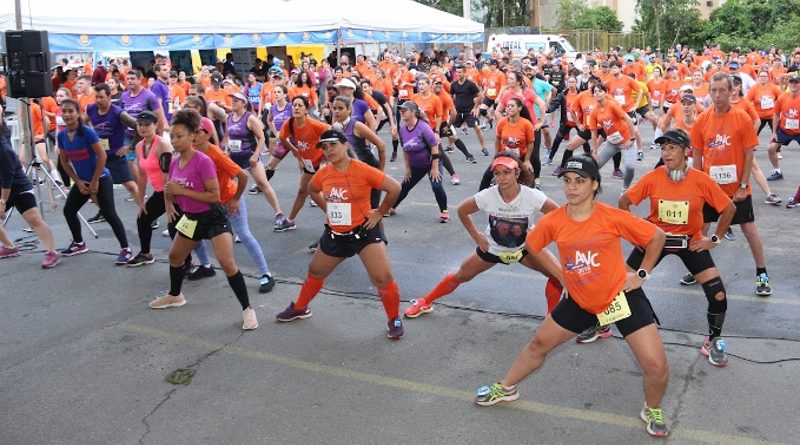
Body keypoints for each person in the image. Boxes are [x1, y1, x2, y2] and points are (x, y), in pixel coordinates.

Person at [474, 155, 670, 438]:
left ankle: (651, 408)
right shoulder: (554, 221)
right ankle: (506, 388)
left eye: (580, 181)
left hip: (619, 296)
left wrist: (641, 275)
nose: (572, 187)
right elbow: (531, 244)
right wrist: (561, 276)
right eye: (567, 181)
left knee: (656, 364)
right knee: (538, 344)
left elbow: (657, 237)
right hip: (580, 300)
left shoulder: (611, 216)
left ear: (594, 185)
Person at [604, 130, 734, 368]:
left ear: (687, 151)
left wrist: (714, 239)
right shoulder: (654, 177)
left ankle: (713, 340)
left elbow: (729, 209)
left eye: (672, 147)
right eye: (663, 148)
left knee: (718, 295)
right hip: (656, 241)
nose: (666, 152)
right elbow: (624, 202)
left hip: (690, 242)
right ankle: (601, 324)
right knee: (615, 284)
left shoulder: (701, 179)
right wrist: (635, 234)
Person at [275, 129, 404, 339]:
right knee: (315, 271)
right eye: (324, 147)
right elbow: (312, 189)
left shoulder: (362, 169)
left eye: (333, 145)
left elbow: (394, 188)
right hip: (336, 233)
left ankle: (394, 318)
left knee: (383, 277)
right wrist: (327, 209)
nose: (328, 150)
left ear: (345, 145)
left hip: (364, 231)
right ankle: (300, 307)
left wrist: (379, 212)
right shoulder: (323, 173)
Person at [404, 152, 563, 319]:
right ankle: (425, 302)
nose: (502, 178)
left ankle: (551, 317)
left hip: (524, 249)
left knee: (558, 275)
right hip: (492, 249)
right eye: (498, 173)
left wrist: (538, 232)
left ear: (517, 173)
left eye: (507, 172)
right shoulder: (488, 195)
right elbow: (462, 210)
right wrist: (476, 235)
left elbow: (557, 214)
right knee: (461, 275)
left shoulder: (532, 195)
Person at [147, 109, 259, 331]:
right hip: (191, 218)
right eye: (173, 136)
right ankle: (175, 295)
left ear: (192, 136)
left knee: (227, 263)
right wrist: (170, 201)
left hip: (213, 216)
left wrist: (181, 191)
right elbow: (172, 190)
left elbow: (214, 196)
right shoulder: (174, 162)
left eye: (180, 136)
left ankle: (248, 309)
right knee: (175, 257)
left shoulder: (203, 161)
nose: (175, 140)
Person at [685, 73, 772, 297]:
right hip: (710, 189)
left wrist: (744, 185)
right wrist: (696, 186)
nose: (717, 95)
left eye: (721, 90)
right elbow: (697, 157)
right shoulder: (702, 120)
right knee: (699, 228)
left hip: (736, 190)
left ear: (731, 91)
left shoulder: (741, 118)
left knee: (749, 229)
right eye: (713, 90)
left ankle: (762, 273)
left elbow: (749, 154)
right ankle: (698, 269)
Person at [186, 117, 276, 293]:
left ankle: (266, 274)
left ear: (208, 134)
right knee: (190, 233)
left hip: (228, 199)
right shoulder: (190, 151)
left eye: (198, 132)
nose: (194, 136)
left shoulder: (216, 154)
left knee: (243, 233)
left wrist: (235, 199)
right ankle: (206, 265)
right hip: (206, 202)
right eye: (192, 132)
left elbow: (242, 176)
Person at [57, 99, 132, 264]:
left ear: (78, 113)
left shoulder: (88, 133)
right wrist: (76, 181)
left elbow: (102, 156)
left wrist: (95, 181)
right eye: (64, 111)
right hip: (82, 181)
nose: (67, 115)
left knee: (109, 213)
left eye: (71, 111)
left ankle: (127, 249)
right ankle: (79, 243)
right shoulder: (61, 135)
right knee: (69, 210)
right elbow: (64, 162)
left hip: (102, 179)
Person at [0, 104, 60, 268]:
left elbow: (8, 176)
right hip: (3, 187)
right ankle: (10, 247)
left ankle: (52, 252)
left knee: (33, 219)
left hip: (17, 187)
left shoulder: (3, 147)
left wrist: (2, 202)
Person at [225, 91, 286, 228]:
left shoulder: (250, 118)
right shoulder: (229, 117)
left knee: (262, 184)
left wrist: (255, 155)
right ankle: (225, 214)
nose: (233, 102)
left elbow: (262, 138)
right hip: (233, 158)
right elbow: (229, 137)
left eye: (236, 100)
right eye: (232, 99)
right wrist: (227, 151)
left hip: (249, 156)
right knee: (224, 184)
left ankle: (279, 213)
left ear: (243, 103)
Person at [85, 83, 144, 224]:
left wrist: (130, 147)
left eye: (101, 97)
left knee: (129, 184)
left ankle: (146, 212)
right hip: (98, 155)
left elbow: (138, 126)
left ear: (109, 97)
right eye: (96, 97)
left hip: (115, 155)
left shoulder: (118, 113)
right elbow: (84, 123)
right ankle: (104, 211)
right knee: (91, 186)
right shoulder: (91, 109)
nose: (98, 100)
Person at [385, 101, 449, 223]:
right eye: (401, 110)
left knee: (436, 185)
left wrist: (434, 168)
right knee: (404, 185)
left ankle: (444, 211)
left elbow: (435, 148)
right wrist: (408, 169)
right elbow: (405, 150)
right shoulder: (403, 130)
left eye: (405, 110)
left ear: (413, 112)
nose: (401, 112)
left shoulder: (423, 127)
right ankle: (392, 207)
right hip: (417, 166)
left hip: (432, 162)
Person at [125, 111, 173, 267]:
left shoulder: (162, 145)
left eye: (147, 124)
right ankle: (146, 254)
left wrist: (168, 204)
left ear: (156, 125)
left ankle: (189, 263)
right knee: (143, 218)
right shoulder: (140, 146)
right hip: (159, 192)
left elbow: (167, 176)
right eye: (140, 124)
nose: (143, 128)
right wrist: (141, 200)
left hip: (174, 192)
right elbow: (142, 175)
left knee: (176, 227)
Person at [278, 96, 330, 231]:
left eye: (300, 106)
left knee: (323, 194)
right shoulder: (289, 124)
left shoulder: (315, 124)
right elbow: (282, 137)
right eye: (294, 105)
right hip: (309, 164)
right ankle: (290, 220)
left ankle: (336, 221)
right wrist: (295, 151)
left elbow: (331, 133)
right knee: (302, 191)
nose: (296, 108)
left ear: (306, 109)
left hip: (322, 163)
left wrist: (326, 154)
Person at [330, 95, 386, 208]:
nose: (336, 111)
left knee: (372, 213)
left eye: (340, 108)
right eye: (334, 108)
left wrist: (380, 170)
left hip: (368, 172)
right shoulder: (334, 129)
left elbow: (381, 145)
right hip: (350, 175)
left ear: (349, 110)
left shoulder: (357, 126)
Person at [589, 83, 638, 190]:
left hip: (626, 141)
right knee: (594, 166)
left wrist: (632, 138)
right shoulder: (594, 112)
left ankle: (625, 189)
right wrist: (595, 152)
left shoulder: (612, 105)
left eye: (600, 91)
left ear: (606, 93)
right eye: (595, 92)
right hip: (611, 143)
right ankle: (592, 188)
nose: (597, 93)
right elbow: (593, 133)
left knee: (630, 166)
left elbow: (628, 120)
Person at [765, 76, 800, 181]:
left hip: (799, 131)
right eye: (792, 83)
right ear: (788, 84)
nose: (794, 85)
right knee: (771, 148)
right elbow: (776, 114)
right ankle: (777, 171)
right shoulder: (782, 97)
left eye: (796, 83)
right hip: (784, 130)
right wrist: (774, 132)